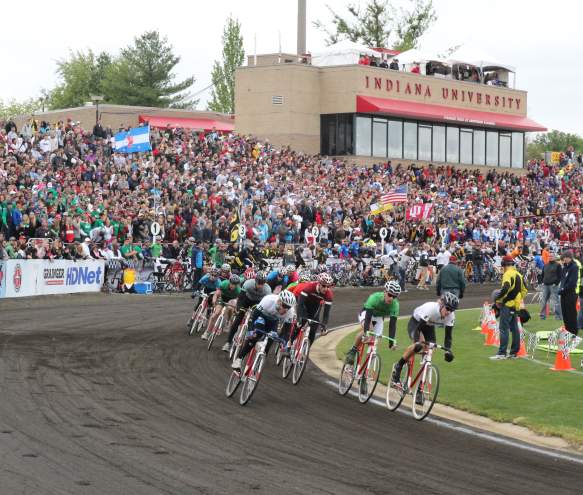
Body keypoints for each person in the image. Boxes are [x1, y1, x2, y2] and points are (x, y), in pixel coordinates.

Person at [391, 293, 457, 404]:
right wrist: (417, 343)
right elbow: (417, 329)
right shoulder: (431, 309)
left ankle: (420, 390)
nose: (449, 312)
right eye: (447, 308)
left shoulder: (451, 316)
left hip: (429, 327)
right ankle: (399, 365)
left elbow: (448, 336)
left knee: (430, 350)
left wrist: (448, 351)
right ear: (441, 305)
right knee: (420, 345)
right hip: (416, 323)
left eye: (452, 310)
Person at [231, 290, 296, 370]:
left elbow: (287, 331)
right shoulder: (268, 300)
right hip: (261, 316)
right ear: (279, 301)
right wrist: (250, 331)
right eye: (284, 305)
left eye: (288, 307)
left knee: (270, 341)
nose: (286, 309)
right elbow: (253, 316)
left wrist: (284, 344)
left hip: (273, 322)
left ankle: (256, 367)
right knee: (256, 335)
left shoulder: (290, 312)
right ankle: (239, 359)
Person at [345, 281, 401, 365]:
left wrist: (391, 343)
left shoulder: (395, 305)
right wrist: (366, 334)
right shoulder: (374, 298)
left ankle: (366, 369)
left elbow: (392, 325)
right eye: (390, 295)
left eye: (394, 296)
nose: (391, 298)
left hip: (378, 318)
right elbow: (368, 318)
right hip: (366, 313)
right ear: (385, 291)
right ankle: (353, 350)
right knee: (369, 330)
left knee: (376, 339)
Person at [223, 271, 272, 352]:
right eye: (259, 282)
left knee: (254, 318)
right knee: (238, 320)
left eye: (262, 283)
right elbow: (241, 297)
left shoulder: (267, 289)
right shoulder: (248, 283)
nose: (260, 285)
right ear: (255, 280)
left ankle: (249, 334)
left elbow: (266, 304)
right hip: (246, 300)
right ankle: (228, 342)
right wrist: (239, 308)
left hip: (257, 303)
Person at [491, 255, 528, 359]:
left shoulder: (507, 274)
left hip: (507, 305)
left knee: (503, 329)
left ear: (504, 265)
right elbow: (525, 289)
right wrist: (518, 298)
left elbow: (506, 288)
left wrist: (498, 300)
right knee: (515, 329)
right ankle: (513, 353)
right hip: (515, 306)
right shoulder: (518, 274)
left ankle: (502, 353)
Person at [290, 272, 334, 348]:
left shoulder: (328, 294)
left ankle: (306, 350)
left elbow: (326, 313)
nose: (326, 289)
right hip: (304, 305)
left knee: (314, 328)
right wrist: (299, 318)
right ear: (319, 284)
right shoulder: (310, 287)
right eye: (324, 286)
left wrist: (324, 326)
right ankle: (289, 344)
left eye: (328, 286)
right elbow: (300, 304)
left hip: (315, 307)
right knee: (300, 324)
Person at [201, 274, 241, 340]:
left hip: (231, 300)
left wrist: (236, 309)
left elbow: (238, 302)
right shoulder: (224, 284)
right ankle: (207, 332)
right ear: (229, 281)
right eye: (232, 283)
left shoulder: (238, 290)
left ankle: (228, 321)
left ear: (237, 285)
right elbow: (216, 294)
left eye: (235, 284)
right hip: (222, 298)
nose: (233, 285)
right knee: (215, 314)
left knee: (231, 308)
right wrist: (214, 301)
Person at [559, 250, 579, 335]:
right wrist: (561, 288)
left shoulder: (574, 267)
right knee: (565, 313)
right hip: (563, 294)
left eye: (565, 258)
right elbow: (563, 280)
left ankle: (573, 331)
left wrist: (563, 289)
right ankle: (567, 330)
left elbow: (572, 282)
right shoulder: (565, 267)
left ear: (569, 257)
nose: (564, 260)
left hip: (571, 293)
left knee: (571, 312)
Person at [539, 251, 562, 320]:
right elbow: (542, 274)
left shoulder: (558, 265)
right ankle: (542, 316)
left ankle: (558, 317)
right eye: (549, 256)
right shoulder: (545, 265)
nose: (550, 257)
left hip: (553, 285)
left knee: (556, 301)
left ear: (554, 257)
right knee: (544, 301)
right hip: (545, 285)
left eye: (551, 256)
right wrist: (542, 282)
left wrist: (556, 283)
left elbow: (560, 276)